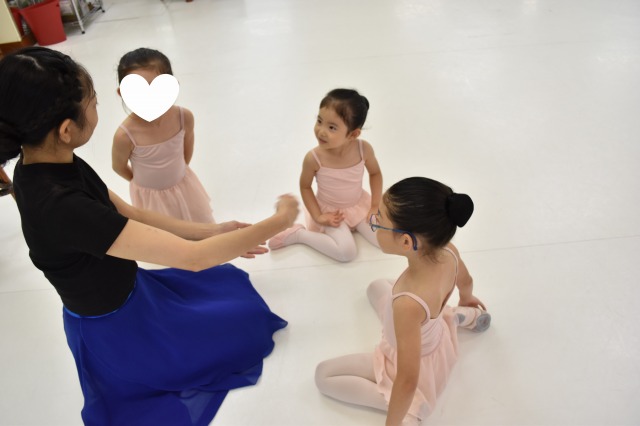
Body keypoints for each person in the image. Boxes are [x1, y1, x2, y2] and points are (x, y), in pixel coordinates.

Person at [0, 47, 299, 426]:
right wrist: (280, 219)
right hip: (115, 325)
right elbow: (194, 259)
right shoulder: (63, 205)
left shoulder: (45, 160)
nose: (98, 107)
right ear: (66, 129)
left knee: (232, 308)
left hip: (132, 291)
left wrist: (214, 230)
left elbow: (131, 213)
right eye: (93, 102)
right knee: (237, 332)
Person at [315, 177, 491, 426]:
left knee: (323, 375)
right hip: (434, 333)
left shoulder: (407, 303)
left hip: (411, 359)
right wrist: (467, 298)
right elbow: (466, 280)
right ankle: (459, 315)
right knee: (375, 287)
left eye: (379, 221)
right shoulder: (449, 250)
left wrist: (392, 423)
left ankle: (411, 409)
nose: (372, 220)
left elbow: (407, 379)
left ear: (406, 241)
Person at [268, 88, 383, 262]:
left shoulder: (363, 149)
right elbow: (305, 187)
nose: (321, 131)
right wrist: (318, 216)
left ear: (353, 134)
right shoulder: (314, 158)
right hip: (330, 212)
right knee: (346, 253)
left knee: (383, 240)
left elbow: (375, 173)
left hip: (358, 205)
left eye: (332, 127)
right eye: (319, 121)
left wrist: (374, 205)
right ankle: (299, 235)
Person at [112, 47, 215, 223]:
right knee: (165, 235)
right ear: (123, 93)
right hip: (152, 200)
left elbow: (186, 151)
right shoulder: (125, 135)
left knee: (200, 225)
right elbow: (118, 166)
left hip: (185, 188)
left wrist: (179, 173)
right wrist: (142, 185)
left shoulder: (184, 117)